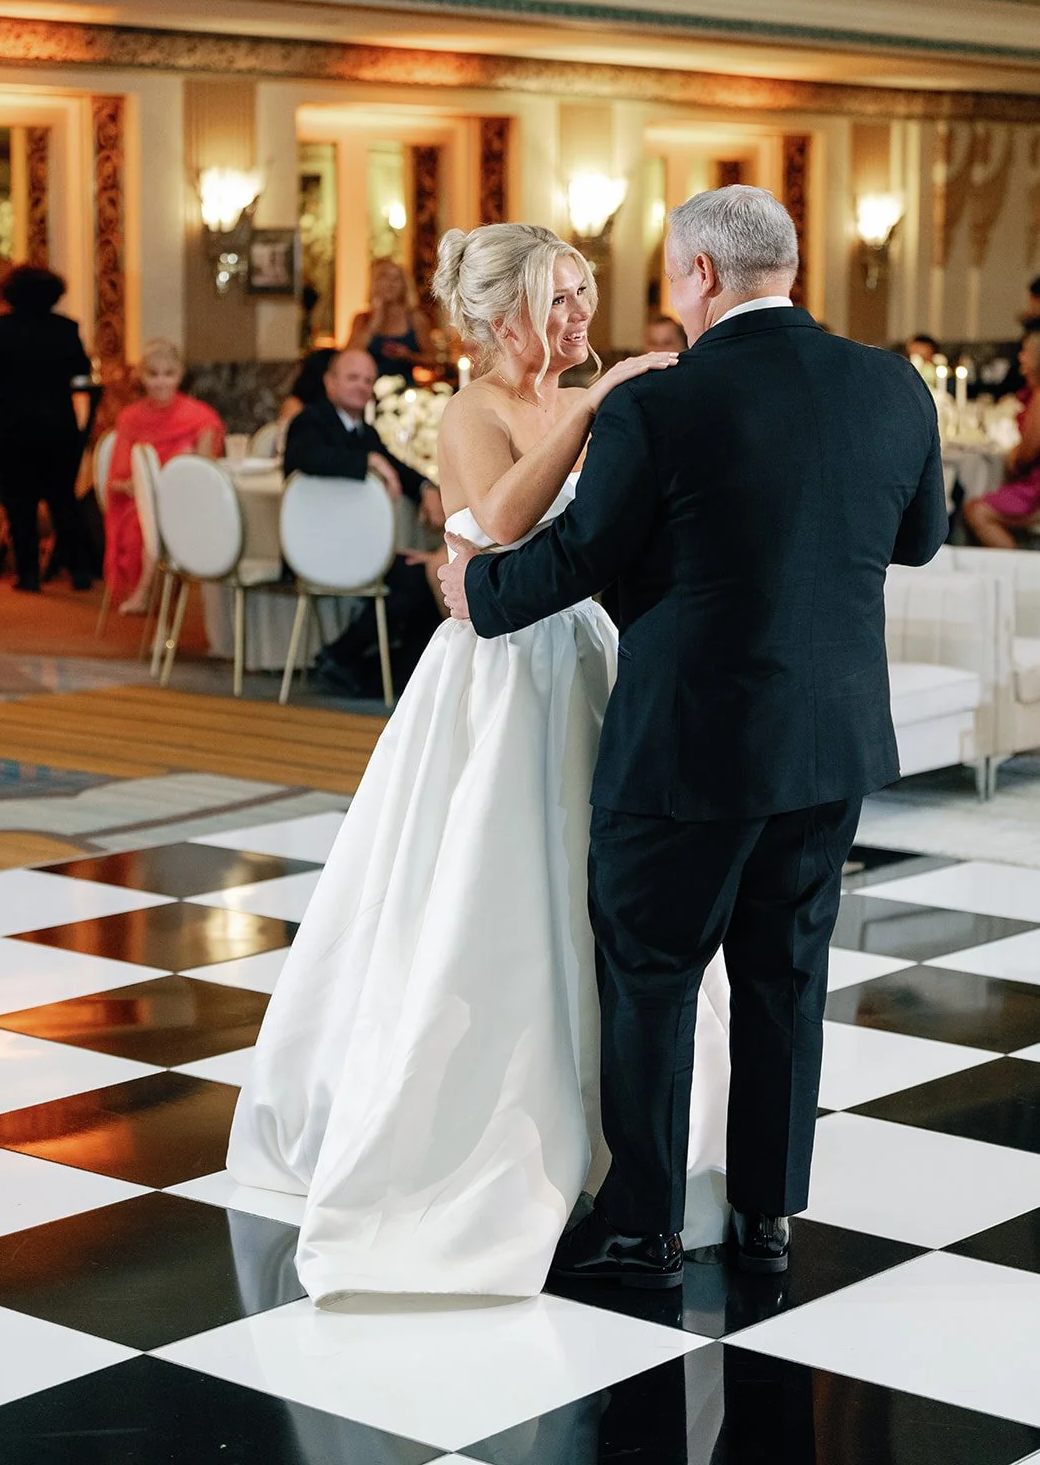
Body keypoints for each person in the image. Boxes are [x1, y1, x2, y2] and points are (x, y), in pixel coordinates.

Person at [441, 186, 947, 1282]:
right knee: (783, 975)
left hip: (685, 746)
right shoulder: (890, 382)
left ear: (701, 276)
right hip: (829, 746)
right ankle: (766, 1214)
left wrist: (474, 588)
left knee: (653, 977)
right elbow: (917, 541)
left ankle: (641, 1225)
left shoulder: (659, 404)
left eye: (669, 276)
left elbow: (577, 557)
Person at [227, 222, 728, 1304]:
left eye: (583, 297)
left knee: (608, 893)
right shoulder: (473, 409)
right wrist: (595, 405)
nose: (578, 320)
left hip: (587, 654)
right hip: (497, 676)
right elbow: (493, 520)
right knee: (487, 891)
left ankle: (628, 1144)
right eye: (559, 302)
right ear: (503, 316)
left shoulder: (595, 396)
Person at [284, 347, 447, 696]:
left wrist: (425, 486)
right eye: (352, 377)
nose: (361, 386)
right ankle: (345, 659)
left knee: (424, 574)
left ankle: (388, 671)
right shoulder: (310, 421)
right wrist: (368, 460)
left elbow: (398, 466)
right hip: (316, 548)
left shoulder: (364, 430)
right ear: (330, 382)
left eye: (368, 379)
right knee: (413, 579)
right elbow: (306, 457)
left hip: (357, 547)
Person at [0, 264, 95, 592]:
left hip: (13, 425)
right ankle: (80, 570)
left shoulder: (0, 330)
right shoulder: (66, 328)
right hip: (58, 425)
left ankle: (28, 575)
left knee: (19, 501)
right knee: (62, 499)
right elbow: (81, 373)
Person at [104, 339, 224, 613]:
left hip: (189, 500)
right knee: (149, 521)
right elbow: (117, 482)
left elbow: (205, 473)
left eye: (168, 374)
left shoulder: (201, 418)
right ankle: (148, 593)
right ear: (141, 376)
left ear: (180, 375)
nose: (161, 382)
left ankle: (151, 595)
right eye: (153, 374)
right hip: (139, 502)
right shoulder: (130, 419)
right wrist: (146, 488)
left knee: (167, 518)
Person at [963, 324, 1040, 548]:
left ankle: (1015, 571)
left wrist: (1013, 455)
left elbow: (1025, 454)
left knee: (976, 510)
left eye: (1025, 352)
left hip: (1036, 492)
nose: (1020, 358)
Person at [346, 258, 436, 381]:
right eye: (384, 277)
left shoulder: (416, 319)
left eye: (396, 279)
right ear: (375, 283)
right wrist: (374, 322)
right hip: (367, 389)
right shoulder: (362, 319)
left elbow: (432, 359)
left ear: (404, 285)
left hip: (404, 392)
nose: (390, 283)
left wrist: (408, 355)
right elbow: (348, 357)